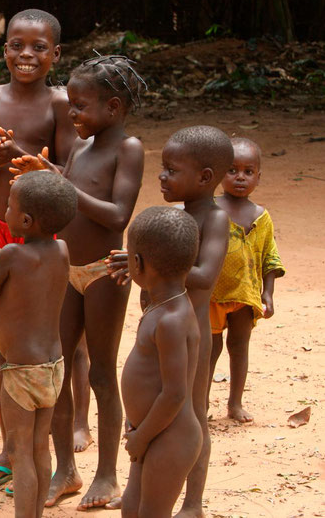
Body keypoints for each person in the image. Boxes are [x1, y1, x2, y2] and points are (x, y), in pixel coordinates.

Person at [11, 55, 146, 509]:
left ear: (113, 107)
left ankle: (106, 475)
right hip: (64, 268)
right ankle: (66, 469)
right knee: (58, 367)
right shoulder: (80, 149)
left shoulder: (129, 149)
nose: (72, 114)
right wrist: (40, 176)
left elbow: (117, 215)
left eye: (81, 106)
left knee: (103, 373)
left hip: (106, 271)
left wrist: (61, 184)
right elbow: (65, 201)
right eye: (70, 104)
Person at [0, 9, 75, 489]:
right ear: (3, 52)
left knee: (47, 341)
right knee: (1, 343)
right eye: (17, 46)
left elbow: (69, 176)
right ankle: (10, 448)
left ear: (56, 54)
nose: (27, 55)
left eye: (39, 47)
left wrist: (27, 160)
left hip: (43, 238)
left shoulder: (61, 104)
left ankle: (48, 448)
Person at [109, 125, 232, 516]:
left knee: (192, 414)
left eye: (171, 170)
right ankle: (145, 486)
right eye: (162, 168)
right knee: (161, 408)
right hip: (166, 325)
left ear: (205, 178)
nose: (161, 176)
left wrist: (153, 264)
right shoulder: (175, 218)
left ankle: (191, 502)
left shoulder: (214, 219)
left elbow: (206, 275)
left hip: (193, 328)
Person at [0, 171, 77, 517]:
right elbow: (29, 285)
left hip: (21, 372)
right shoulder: (61, 249)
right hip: (53, 367)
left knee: (21, 450)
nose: (5, 211)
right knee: (41, 447)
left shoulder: (11, 254)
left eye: (9, 206)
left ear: (25, 220)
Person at [120, 206, 203, 518]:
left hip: (171, 437)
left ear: (138, 263)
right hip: (153, 431)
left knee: (151, 513)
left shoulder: (171, 319)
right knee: (132, 507)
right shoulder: (162, 306)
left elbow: (174, 393)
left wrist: (141, 437)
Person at [208, 137, 285, 423]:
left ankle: (235, 403)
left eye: (248, 172)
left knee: (239, 347)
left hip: (245, 294)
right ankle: (200, 402)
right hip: (212, 294)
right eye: (232, 170)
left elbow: (270, 257)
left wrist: (268, 293)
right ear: (217, 173)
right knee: (209, 351)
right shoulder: (210, 209)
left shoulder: (262, 217)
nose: (240, 177)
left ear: (258, 178)